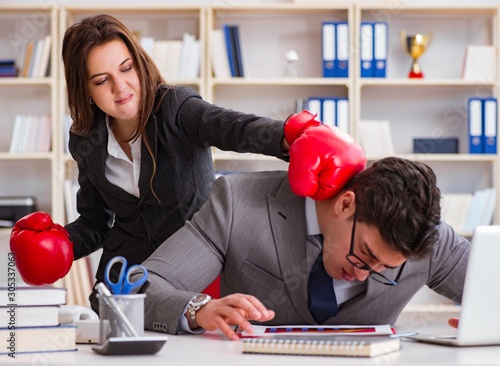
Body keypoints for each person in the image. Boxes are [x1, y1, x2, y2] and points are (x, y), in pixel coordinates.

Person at [9, 14, 366, 311]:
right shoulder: (85, 139)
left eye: (126, 68)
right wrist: (63, 244)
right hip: (124, 283)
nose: (121, 87)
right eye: (102, 80)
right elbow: (97, 221)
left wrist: (293, 136)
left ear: (138, 61)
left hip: (195, 272)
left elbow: (233, 127)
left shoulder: (175, 108)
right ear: (84, 89)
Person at [135, 157, 469, 340]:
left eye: (386, 268)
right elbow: (139, 288)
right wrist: (198, 311)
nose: (366, 272)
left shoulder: (428, 241)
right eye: (364, 256)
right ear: (346, 204)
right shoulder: (239, 203)